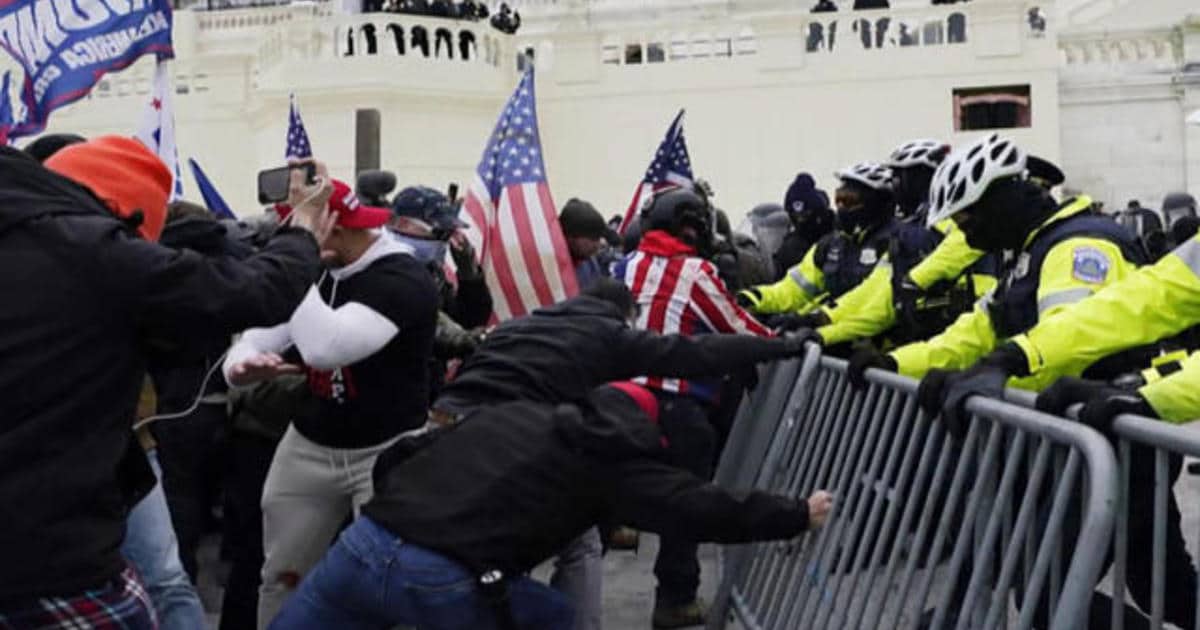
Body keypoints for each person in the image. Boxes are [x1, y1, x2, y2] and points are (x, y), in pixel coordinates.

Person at [0, 137, 331, 627]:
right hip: (48, 554)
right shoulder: (89, 251)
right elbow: (256, 292)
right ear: (122, 213)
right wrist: (302, 229)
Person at [270, 382, 834, 630]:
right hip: (443, 581)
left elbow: (402, 453)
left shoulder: (513, 412)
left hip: (362, 547)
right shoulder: (616, 463)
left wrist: (406, 510)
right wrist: (795, 513)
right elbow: (700, 508)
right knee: (556, 617)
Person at [432, 277, 808, 630]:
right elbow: (693, 352)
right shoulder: (605, 334)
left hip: (444, 427)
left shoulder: (520, 324)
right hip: (504, 435)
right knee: (579, 543)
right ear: (624, 314)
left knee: (450, 534)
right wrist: (779, 345)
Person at [224, 179, 439, 628]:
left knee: (389, 579)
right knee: (282, 575)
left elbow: (327, 348)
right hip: (311, 444)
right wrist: (243, 365)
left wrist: (295, 268)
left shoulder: (400, 277)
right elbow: (255, 337)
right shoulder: (320, 267)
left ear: (329, 230)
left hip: (385, 447)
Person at [610, 187, 781, 628]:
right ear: (695, 227)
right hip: (676, 404)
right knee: (685, 504)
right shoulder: (695, 271)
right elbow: (736, 326)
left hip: (617, 399)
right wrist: (784, 343)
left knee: (599, 490)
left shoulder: (623, 266)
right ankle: (677, 598)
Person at [739, 163, 940, 342]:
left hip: (879, 350)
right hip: (834, 341)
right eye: (839, 200)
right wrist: (752, 297)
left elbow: (872, 300)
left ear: (875, 202)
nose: (842, 207)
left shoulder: (901, 242)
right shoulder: (830, 244)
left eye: (850, 200)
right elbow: (793, 289)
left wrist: (819, 319)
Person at [772, 173, 835, 275]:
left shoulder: (840, 238)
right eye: (795, 215)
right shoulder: (790, 247)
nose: (800, 220)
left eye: (806, 215)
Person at [559, 197, 612, 290]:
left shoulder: (590, 262)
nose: (597, 245)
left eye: (599, 238)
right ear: (570, 237)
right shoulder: (549, 268)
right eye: (592, 239)